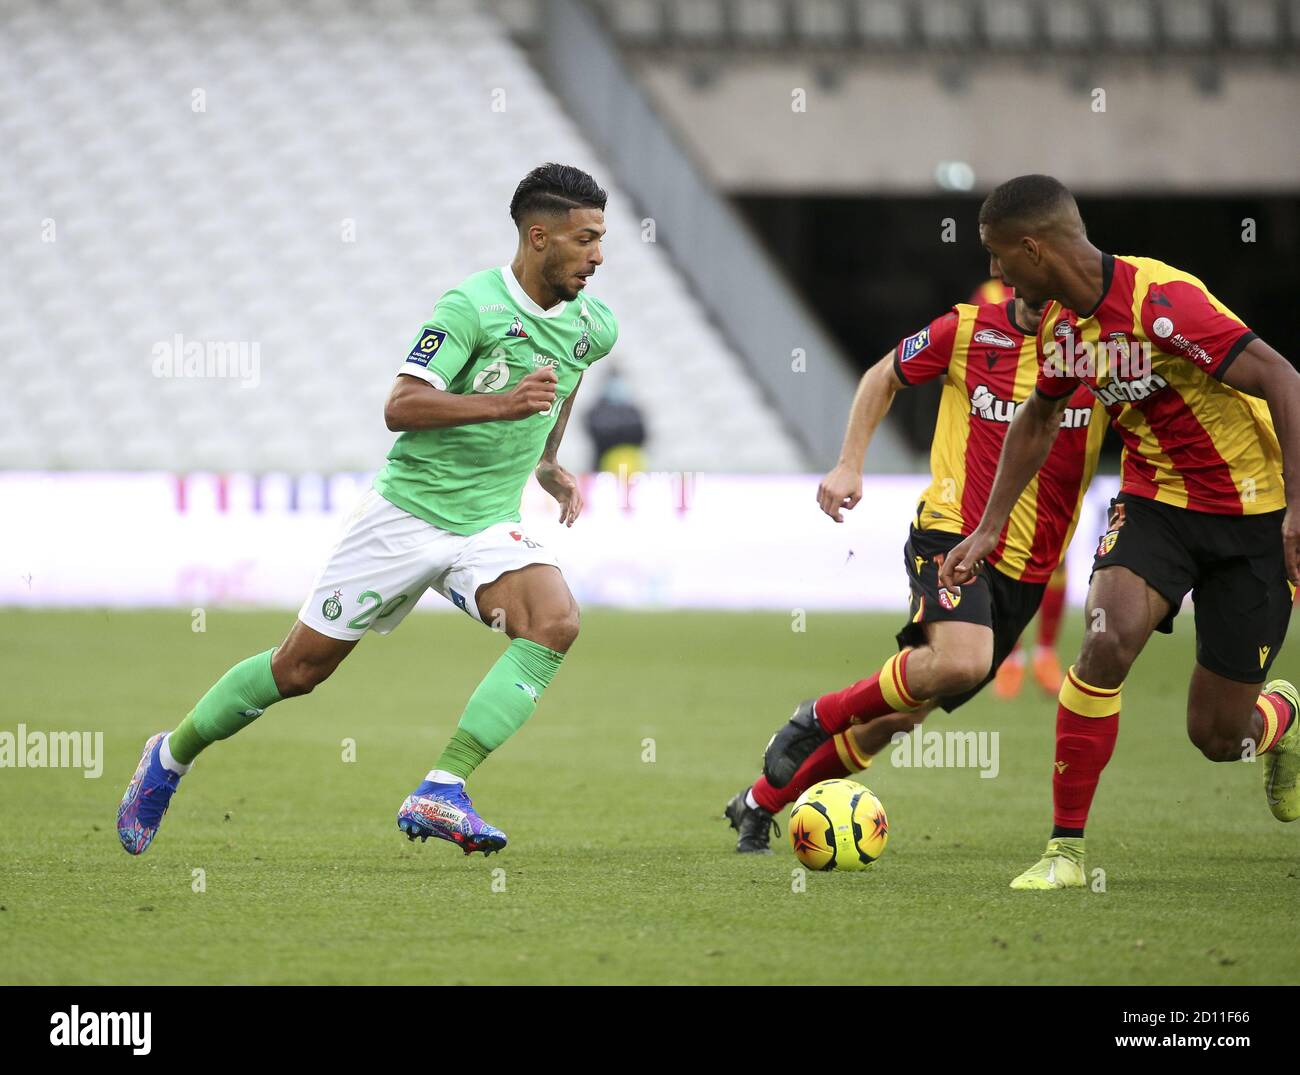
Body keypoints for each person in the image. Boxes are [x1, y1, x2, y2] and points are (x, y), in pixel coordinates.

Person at [118, 163, 618, 858]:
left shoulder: (594, 323)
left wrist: (547, 463)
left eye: (601, 238)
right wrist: (500, 403)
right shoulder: (470, 307)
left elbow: (564, 383)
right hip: (404, 516)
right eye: (585, 238)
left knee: (556, 619)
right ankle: (169, 756)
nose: (598, 255)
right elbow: (400, 406)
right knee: (299, 672)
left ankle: (442, 786)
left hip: (485, 525)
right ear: (539, 237)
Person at [940, 174, 1300, 888]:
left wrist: (1299, 509)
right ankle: (1065, 853)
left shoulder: (1160, 302)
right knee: (1104, 639)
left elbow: (1285, 379)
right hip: (1155, 503)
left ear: (1034, 249)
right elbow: (1039, 418)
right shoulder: (1060, 327)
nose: (993, 272)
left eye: (998, 255)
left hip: (1251, 514)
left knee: (1215, 736)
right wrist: (987, 528)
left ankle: (1278, 715)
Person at [726, 288, 1106, 852]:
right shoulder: (967, 331)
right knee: (962, 660)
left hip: (1028, 569)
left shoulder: (1100, 348)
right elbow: (883, 376)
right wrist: (849, 463)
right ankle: (818, 715)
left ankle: (757, 803)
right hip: (952, 534)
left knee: (896, 721)